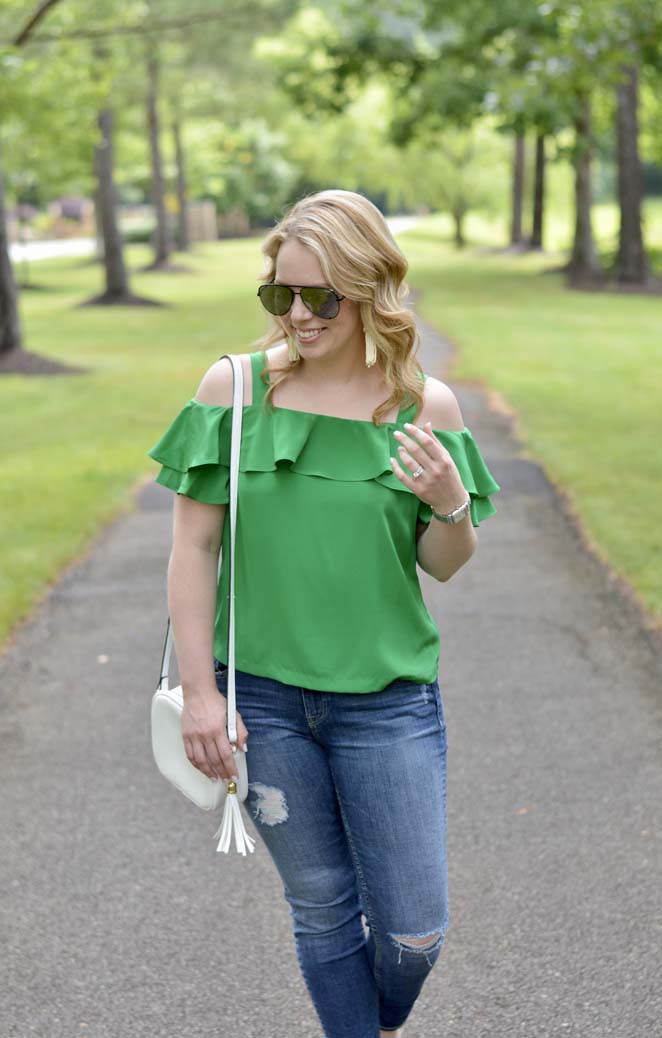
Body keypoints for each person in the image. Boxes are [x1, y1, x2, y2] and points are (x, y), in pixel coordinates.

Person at [147, 189, 500, 1038]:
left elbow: (444, 566)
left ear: (371, 291)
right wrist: (202, 695)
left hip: (388, 707)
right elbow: (192, 550)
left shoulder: (425, 409)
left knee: (415, 931)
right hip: (262, 701)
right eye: (280, 294)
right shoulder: (233, 390)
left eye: (320, 297)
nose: (298, 316)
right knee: (323, 912)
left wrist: (450, 502)